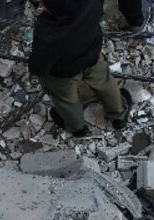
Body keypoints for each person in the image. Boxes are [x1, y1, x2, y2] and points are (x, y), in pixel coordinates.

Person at [28, 0, 131, 138]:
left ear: (56, 13)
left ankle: (77, 128)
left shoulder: (47, 32)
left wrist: (34, 69)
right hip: (91, 54)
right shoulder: (92, 3)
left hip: (62, 72)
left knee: (67, 100)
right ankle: (119, 115)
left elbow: (39, 66)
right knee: (105, 83)